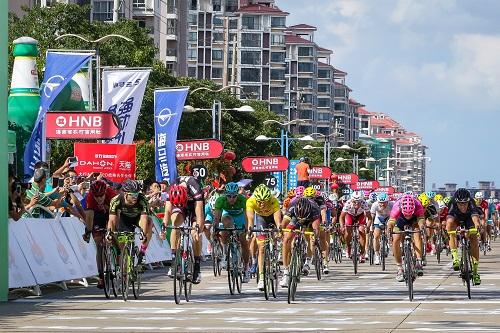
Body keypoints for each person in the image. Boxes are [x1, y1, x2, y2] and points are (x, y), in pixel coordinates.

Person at [162, 176, 205, 284]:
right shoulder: (172, 188)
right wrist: (163, 228)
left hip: (194, 205)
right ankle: (173, 261)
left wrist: (198, 230)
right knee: (175, 224)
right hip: (180, 205)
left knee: (195, 233)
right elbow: (167, 212)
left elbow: (199, 214)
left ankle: (197, 268)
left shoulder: (195, 187)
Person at [246, 184, 281, 291]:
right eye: (259, 201)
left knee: (276, 234)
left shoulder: (273, 201)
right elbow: (251, 218)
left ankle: (275, 253)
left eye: (264, 201)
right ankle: (261, 278)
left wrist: (279, 228)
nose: (261, 204)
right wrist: (250, 230)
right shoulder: (251, 201)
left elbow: (277, 218)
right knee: (261, 248)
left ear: (268, 199)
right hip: (261, 218)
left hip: (272, 217)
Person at [108, 180, 152, 265]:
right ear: (125, 194)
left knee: (149, 222)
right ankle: (123, 271)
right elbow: (112, 220)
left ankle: (142, 251)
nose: (135, 197)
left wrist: (143, 234)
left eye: (137, 194)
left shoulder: (142, 199)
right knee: (121, 246)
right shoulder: (116, 200)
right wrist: (110, 233)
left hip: (138, 218)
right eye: (133, 195)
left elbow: (144, 219)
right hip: (124, 219)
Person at [213, 182, 250, 283]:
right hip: (228, 215)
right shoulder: (220, 200)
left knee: (244, 241)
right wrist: (215, 228)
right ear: (225, 195)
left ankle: (246, 268)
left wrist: (247, 229)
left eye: (234, 196)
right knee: (224, 230)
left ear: (237, 195)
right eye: (229, 196)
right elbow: (217, 218)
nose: (232, 199)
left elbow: (247, 217)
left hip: (240, 217)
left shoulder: (243, 200)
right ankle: (225, 254)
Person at [280, 197, 321, 288]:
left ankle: (307, 261)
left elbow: (316, 229)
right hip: (295, 219)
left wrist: (315, 235)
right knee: (286, 239)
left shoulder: (314, 209)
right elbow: (284, 223)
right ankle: (286, 272)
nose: (302, 219)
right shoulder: (292, 206)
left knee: (312, 238)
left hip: (310, 220)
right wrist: (280, 232)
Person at [83, 180, 116, 288]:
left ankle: (116, 260)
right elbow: (89, 218)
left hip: (110, 215)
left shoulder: (112, 194)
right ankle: (101, 276)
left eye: (101, 196)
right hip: (97, 216)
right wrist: (87, 232)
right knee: (99, 245)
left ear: (105, 192)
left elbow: (115, 216)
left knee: (112, 236)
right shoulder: (90, 197)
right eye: (96, 196)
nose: (99, 198)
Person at [387, 193, 425, 282]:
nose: (408, 217)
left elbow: (421, 220)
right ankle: (399, 268)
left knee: (417, 235)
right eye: (406, 215)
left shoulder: (418, 205)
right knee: (396, 239)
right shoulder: (397, 206)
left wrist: (422, 226)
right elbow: (391, 221)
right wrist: (389, 229)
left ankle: (419, 262)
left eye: (409, 214)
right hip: (400, 219)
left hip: (415, 219)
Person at [447, 188, 481, 285]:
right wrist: (449, 230)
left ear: (468, 201)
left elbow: (475, 218)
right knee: (451, 229)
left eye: (465, 203)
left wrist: (477, 226)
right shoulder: (452, 202)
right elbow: (449, 219)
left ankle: (475, 272)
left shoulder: (471, 202)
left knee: (474, 239)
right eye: (460, 204)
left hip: (469, 218)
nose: (462, 206)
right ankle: (455, 258)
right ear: (456, 202)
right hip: (456, 218)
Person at [339, 191, 372, 263]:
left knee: (362, 230)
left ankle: (362, 253)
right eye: (354, 202)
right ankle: (349, 247)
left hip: (360, 216)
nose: (356, 203)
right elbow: (341, 217)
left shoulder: (364, 204)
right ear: (352, 200)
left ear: (362, 200)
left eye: (358, 202)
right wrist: (342, 227)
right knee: (347, 231)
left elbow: (369, 218)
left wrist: (368, 227)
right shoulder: (348, 203)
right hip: (349, 215)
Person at [370, 192, 393, 265]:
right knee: (376, 236)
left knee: (389, 231)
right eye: (380, 202)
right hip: (378, 218)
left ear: (387, 201)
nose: (382, 204)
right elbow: (372, 217)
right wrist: (371, 227)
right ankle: (377, 255)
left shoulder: (392, 204)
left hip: (389, 218)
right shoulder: (375, 205)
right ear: (378, 201)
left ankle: (389, 242)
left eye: (384, 202)